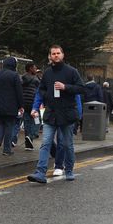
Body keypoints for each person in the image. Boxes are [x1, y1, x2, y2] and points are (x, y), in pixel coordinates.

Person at [27, 45, 85, 183]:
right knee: (45, 142)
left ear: (63, 55)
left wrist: (66, 87)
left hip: (67, 114)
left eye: (58, 53)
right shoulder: (47, 73)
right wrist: (35, 108)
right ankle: (40, 172)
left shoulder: (72, 72)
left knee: (66, 144)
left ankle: (69, 170)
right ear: (50, 56)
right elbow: (40, 92)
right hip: (50, 113)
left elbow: (81, 88)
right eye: (53, 53)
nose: (56, 55)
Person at [0, 57, 24, 156]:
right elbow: (19, 92)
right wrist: (21, 105)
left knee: (1, 124)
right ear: (14, 65)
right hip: (11, 105)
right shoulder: (14, 75)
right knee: (9, 126)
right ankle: (7, 149)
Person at [21, 63, 40, 148]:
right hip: (34, 103)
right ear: (30, 69)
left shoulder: (22, 78)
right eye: (35, 68)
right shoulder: (36, 79)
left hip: (25, 103)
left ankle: (28, 144)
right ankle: (31, 136)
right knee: (36, 121)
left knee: (27, 122)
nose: (36, 70)